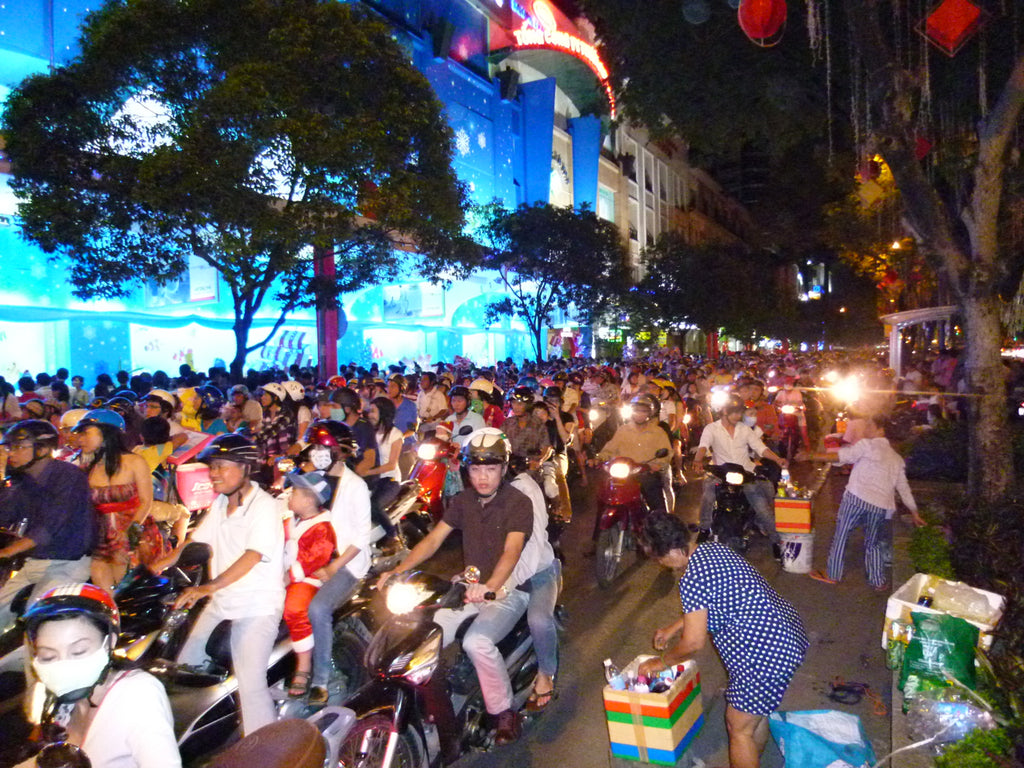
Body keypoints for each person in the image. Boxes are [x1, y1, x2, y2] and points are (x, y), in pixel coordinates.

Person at [376, 429, 535, 745]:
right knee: (424, 632)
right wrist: (397, 569)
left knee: (477, 641)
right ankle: (433, 702)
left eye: (490, 469)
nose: (482, 477)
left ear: (503, 469)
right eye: (475, 469)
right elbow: (434, 540)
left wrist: (489, 586)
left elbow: (511, 551)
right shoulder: (463, 500)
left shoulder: (518, 503)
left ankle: (503, 712)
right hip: (471, 585)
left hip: (509, 591)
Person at [639, 513, 808, 768]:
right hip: (787, 635)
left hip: (765, 655)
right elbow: (718, 601)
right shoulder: (712, 549)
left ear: (671, 552)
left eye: (657, 557)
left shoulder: (692, 580)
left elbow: (694, 642)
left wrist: (662, 661)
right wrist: (673, 627)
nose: (660, 563)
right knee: (751, 720)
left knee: (738, 726)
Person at [169, 434, 284, 736]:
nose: (214, 473)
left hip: (256, 607)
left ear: (246, 468)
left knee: (250, 683)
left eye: (221, 466)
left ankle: (267, 751)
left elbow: (253, 555)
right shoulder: (220, 502)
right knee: (182, 667)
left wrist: (208, 587)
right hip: (221, 602)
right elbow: (196, 542)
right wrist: (152, 568)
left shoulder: (265, 506)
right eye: (212, 467)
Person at [21, 582, 180, 768]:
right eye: (48, 656)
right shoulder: (59, 702)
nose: (63, 666)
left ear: (109, 643)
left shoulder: (138, 694)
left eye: (78, 652)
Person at [803, 415, 925, 589]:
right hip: (880, 505)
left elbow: (842, 456)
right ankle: (877, 580)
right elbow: (903, 487)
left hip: (857, 498)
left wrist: (810, 455)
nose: (865, 428)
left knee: (842, 535)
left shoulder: (867, 445)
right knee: (873, 542)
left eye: (869, 425)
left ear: (879, 429)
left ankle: (833, 574)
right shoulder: (896, 459)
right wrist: (914, 512)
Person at [0, 421, 95, 631]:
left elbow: (51, 526)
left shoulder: (68, 476)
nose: (11, 453)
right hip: (35, 562)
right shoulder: (22, 479)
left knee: (36, 618)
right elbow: (5, 514)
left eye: (18, 447)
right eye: (9, 447)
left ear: (42, 449)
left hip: (67, 565)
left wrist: (7, 551)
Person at [303, 420, 372, 705]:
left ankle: (321, 679)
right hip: (310, 559)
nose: (318, 452)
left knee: (318, 609)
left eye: (324, 447)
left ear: (340, 451)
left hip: (345, 563)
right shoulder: (307, 480)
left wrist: (333, 567)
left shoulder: (356, 486)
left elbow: (361, 537)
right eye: (315, 447)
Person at [72, 410, 163, 593]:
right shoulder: (84, 466)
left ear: (106, 433)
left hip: (132, 533)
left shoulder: (135, 462)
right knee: (104, 591)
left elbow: (146, 501)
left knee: (126, 588)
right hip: (99, 536)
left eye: (86, 433)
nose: (80, 439)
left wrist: (131, 533)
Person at [693, 394, 788, 557]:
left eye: (739, 413)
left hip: (746, 473)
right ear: (724, 412)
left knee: (762, 509)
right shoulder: (711, 429)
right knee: (708, 495)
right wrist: (697, 460)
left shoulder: (744, 429)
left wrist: (777, 459)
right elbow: (703, 446)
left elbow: (760, 448)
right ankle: (704, 527)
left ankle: (776, 541)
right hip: (720, 473)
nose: (738, 416)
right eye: (734, 412)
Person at [281, 471, 338, 699]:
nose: (289, 496)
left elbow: (314, 558)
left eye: (293, 493)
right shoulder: (293, 518)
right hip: (284, 573)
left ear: (308, 499)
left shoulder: (322, 527)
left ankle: (303, 666)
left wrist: (288, 577)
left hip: (307, 579)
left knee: (295, 608)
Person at [593, 393, 672, 514]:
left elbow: (666, 453)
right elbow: (610, 448)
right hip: (624, 475)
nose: (639, 414)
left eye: (643, 411)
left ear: (649, 413)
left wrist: (657, 465)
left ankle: (661, 524)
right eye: (636, 411)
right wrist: (599, 458)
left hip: (646, 473)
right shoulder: (623, 430)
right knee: (604, 494)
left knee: (658, 508)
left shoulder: (658, 432)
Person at [415, 372, 450, 438]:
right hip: (421, 424)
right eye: (421, 380)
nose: (421, 382)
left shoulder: (439, 395)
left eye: (424, 380)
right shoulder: (420, 394)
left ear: (432, 382)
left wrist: (433, 417)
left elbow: (443, 410)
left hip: (434, 427)